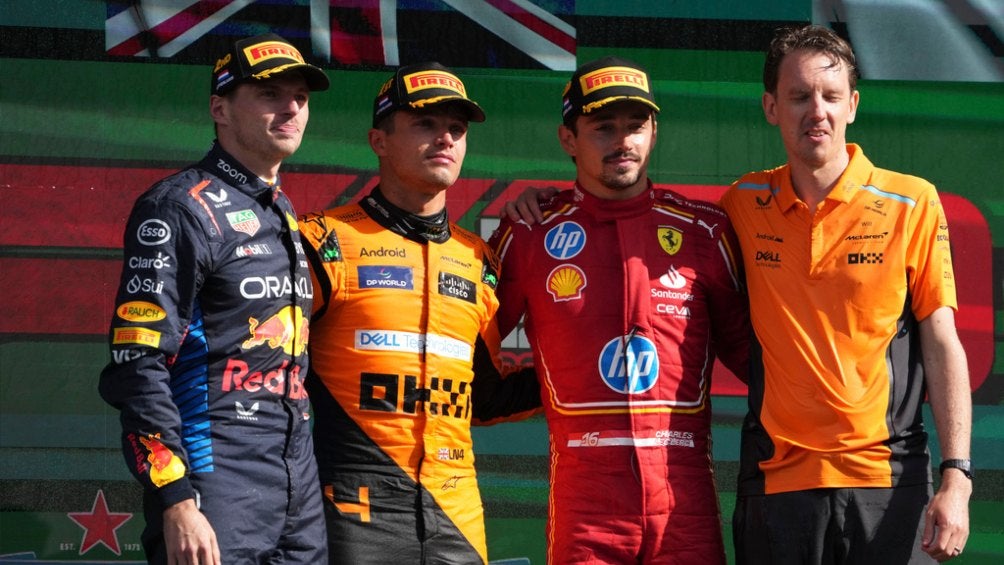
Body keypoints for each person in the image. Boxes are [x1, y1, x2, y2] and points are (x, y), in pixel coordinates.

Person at [721, 24, 972, 564]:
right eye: (799, 96)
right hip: (775, 482)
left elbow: (942, 341)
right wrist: (550, 203)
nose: (817, 111)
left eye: (831, 96)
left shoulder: (912, 202)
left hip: (889, 480)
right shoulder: (741, 203)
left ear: (852, 105)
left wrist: (958, 477)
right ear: (770, 107)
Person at [490, 56, 750, 564]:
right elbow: (466, 347)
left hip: (684, 501)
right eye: (603, 127)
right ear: (568, 139)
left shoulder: (704, 230)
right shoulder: (529, 231)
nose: (623, 140)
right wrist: (549, 386)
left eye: (636, 125)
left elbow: (754, 360)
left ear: (654, 132)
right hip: (585, 506)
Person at [98, 33, 329, 564]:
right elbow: (138, 362)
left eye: (300, 96)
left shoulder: (283, 210)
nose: (291, 107)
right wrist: (175, 497)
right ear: (219, 109)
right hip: (214, 480)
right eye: (270, 94)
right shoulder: (178, 207)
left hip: (297, 485)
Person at [298, 61, 540, 565]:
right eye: (425, 123)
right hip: (354, 508)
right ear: (379, 140)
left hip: (457, 510)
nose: (445, 138)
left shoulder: (479, 259)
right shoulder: (321, 240)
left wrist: (583, 377)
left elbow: (484, 397)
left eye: (457, 128)